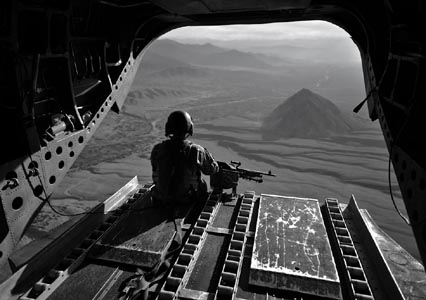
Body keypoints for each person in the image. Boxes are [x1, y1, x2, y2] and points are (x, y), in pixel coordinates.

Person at [150, 110, 219, 206]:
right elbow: (211, 170)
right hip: (187, 200)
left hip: (161, 198)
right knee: (202, 184)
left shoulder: (157, 149)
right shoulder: (197, 150)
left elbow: (156, 170)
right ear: (190, 128)